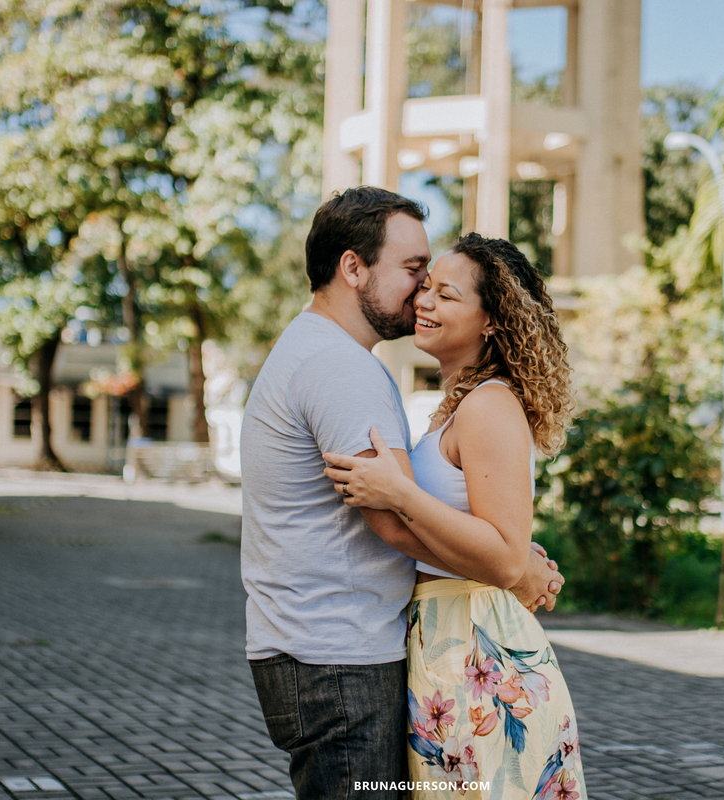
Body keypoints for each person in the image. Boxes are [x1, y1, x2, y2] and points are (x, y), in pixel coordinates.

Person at [240, 188, 564, 800]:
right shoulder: (342, 367)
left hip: (354, 652)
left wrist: (509, 553)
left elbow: (427, 509)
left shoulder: (336, 357)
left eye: (440, 285)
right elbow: (390, 522)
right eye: (416, 273)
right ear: (353, 267)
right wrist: (513, 567)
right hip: (339, 658)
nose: (421, 294)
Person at [323, 233, 585, 800]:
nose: (424, 300)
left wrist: (398, 492)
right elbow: (500, 548)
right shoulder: (457, 404)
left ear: (491, 321)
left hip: (477, 653)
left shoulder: (489, 403)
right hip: (447, 639)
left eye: (447, 294)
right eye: (426, 286)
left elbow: (505, 555)